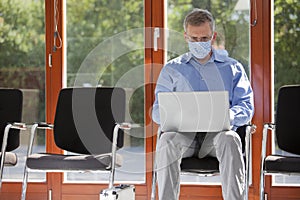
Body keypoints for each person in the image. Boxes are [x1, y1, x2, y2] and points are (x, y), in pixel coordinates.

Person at [152, 8, 254, 200]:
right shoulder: (172, 69)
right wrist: (170, 115)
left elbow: (246, 107)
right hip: (185, 138)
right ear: (185, 37)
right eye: (194, 39)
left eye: (204, 38)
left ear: (213, 36)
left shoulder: (232, 68)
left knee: (230, 138)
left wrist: (227, 115)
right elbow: (157, 110)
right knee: (166, 140)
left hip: (218, 139)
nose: (199, 43)